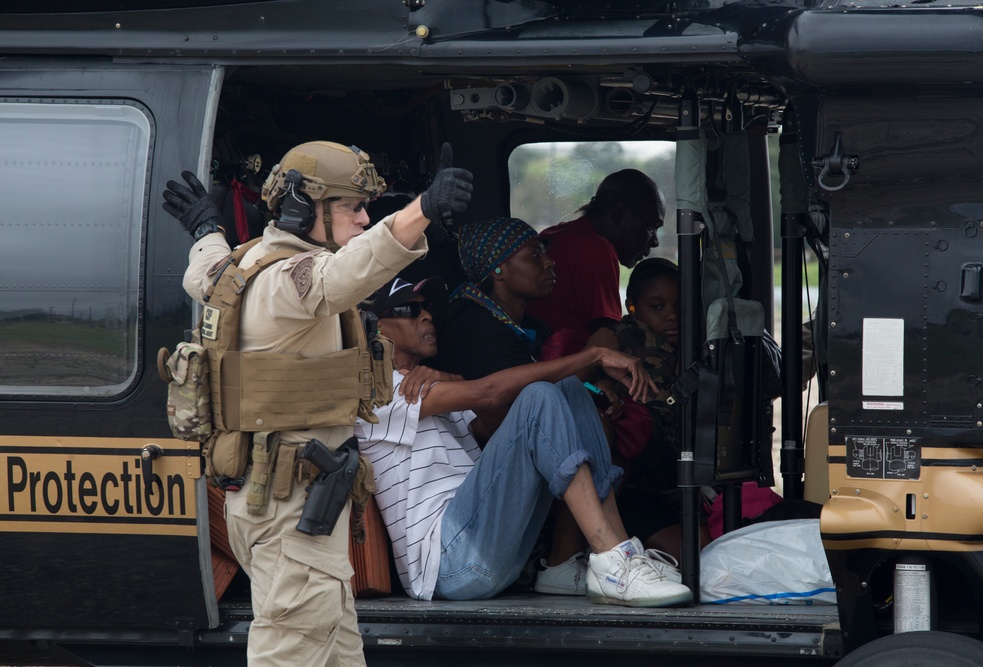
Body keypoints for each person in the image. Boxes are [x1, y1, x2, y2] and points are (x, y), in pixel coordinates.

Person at [165, 141, 473, 667]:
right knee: (293, 653)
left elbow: (205, 268)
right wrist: (420, 210)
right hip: (289, 512)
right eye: (350, 206)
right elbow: (345, 275)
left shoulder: (242, 267)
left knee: (336, 651)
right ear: (301, 211)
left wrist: (205, 229)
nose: (363, 216)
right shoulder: (291, 283)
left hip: (289, 504)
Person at [355, 278, 693, 608]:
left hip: (484, 547)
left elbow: (505, 430)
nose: (426, 315)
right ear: (376, 327)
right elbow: (493, 394)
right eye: (409, 309)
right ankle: (612, 559)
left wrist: (455, 379)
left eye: (426, 307)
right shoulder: (376, 394)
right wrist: (593, 356)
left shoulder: (427, 384)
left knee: (568, 390)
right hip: (449, 565)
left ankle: (573, 561)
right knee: (542, 394)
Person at [597, 257, 710, 556]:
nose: (672, 316)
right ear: (631, 305)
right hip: (634, 489)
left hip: (670, 488)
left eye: (680, 305)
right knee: (696, 555)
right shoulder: (628, 343)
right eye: (657, 307)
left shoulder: (690, 349)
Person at [525, 169, 667, 349]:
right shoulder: (596, 248)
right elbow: (608, 339)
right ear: (618, 214)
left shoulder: (554, 234)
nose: (655, 241)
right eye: (650, 227)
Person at [431, 216, 554, 381]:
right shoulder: (475, 329)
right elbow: (527, 393)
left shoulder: (532, 325)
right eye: (534, 255)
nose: (550, 262)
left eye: (544, 253)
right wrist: (589, 358)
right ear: (498, 270)